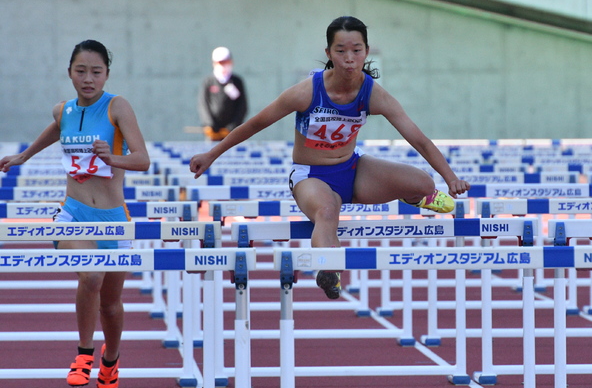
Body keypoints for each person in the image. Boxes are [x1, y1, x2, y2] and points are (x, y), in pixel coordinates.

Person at [190, 16, 471, 299]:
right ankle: (329, 268)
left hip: (353, 169)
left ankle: (419, 196)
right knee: (326, 214)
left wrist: (450, 178)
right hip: (311, 176)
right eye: (341, 51)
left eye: (356, 50)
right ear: (328, 53)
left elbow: (417, 138)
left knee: (422, 182)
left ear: (366, 52)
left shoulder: (373, 94)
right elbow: (255, 124)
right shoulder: (307, 92)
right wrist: (212, 154)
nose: (349, 59)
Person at [0, 40, 150, 388]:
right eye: (80, 71)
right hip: (73, 212)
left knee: (111, 304)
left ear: (106, 75)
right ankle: (84, 353)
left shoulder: (117, 106)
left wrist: (114, 159)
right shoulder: (62, 111)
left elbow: (143, 159)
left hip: (114, 216)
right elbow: (57, 129)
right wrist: (24, 156)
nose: (88, 78)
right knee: (91, 273)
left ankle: (110, 360)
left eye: (96, 72)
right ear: (69, 73)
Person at [198, 46, 248, 141]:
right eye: (220, 62)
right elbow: (203, 104)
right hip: (213, 133)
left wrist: (232, 127)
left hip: (232, 134)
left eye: (226, 62)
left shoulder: (236, 81)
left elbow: (242, 106)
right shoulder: (208, 82)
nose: (223, 65)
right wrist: (209, 124)